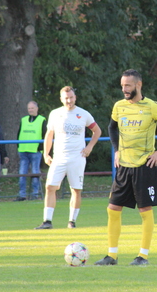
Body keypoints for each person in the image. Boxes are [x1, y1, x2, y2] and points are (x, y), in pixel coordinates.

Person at [94, 69, 157, 266]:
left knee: (144, 210)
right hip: (123, 166)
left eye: (128, 85)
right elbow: (111, 127)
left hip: (144, 166)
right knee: (113, 209)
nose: (124, 89)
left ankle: (143, 256)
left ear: (138, 85)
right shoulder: (119, 106)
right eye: (122, 85)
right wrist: (116, 150)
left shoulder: (152, 107)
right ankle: (112, 256)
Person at [35, 86, 101, 230]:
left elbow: (97, 131)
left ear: (75, 97)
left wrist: (89, 147)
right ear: (61, 99)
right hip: (58, 157)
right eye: (66, 98)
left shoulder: (83, 114)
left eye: (71, 98)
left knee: (76, 189)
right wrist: (46, 154)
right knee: (50, 187)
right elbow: (49, 134)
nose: (69, 101)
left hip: (77, 157)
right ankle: (47, 221)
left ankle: (72, 222)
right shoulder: (55, 114)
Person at [15, 101, 47, 201]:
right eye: (29, 108)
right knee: (22, 174)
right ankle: (22, 195)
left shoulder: (42, 120)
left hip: (35, 151)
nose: (30, 110)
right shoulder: (23, 120)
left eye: (32, 108)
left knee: (35, 173)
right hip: (23, 150)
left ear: (37, 108)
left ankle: (34, 195)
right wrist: (18, 146)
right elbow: (19, 133)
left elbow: (45, 135)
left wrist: (40, 148)